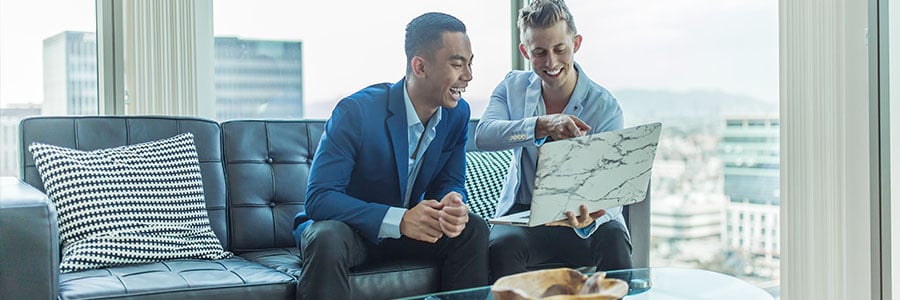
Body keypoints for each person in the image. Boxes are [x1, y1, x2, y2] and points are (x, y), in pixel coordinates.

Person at [292, 12, 489, 299]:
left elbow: (451, 180)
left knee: (472, 229)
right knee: (327, 237)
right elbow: (320, 198)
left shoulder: (457, 113)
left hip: (410, 232)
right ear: (420, 66)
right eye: (458, 64)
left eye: (470, 64)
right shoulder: (356, 112)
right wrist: (400, 219)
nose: (468, 76)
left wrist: (452, 202)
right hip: (351, 231)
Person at [474, 0, 634, 282]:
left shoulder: (605, 107)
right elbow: (484, 135)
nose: (551, 62)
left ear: (576, 43)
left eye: (560, 49)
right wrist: (541, 126)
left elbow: (612, 189)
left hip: (584, 217)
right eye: (539, 52)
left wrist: (591, 216)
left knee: (614, 238)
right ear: (525, 52)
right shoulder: (511, 88)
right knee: (502, 246)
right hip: (525, 215)